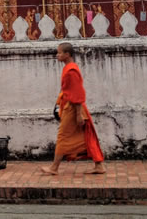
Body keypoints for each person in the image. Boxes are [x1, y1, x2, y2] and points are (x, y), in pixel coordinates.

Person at [42, 42, 105, 175]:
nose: (57, 55)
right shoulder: (68, 68)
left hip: (74, 107)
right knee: (85, 136)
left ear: (67, 54)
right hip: (70, 106)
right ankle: (99, 165)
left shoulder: (71, 70)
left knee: (62, 136)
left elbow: (77, 93)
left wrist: (78, 114)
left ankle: (54, 168)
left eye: (59, 53)